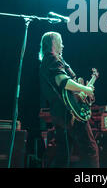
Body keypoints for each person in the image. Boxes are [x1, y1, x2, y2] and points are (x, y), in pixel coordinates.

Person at [38, 31, 99, 168]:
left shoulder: (47, 61)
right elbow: (63, 82)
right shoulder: (52, 58)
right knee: (90, 149)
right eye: (61, 42)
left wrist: (79, 94)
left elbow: (65, 89)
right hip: (69, 113)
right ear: (54, 43)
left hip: (61, 114)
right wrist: (86, 90)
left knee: (63, 154)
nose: (63, 45)